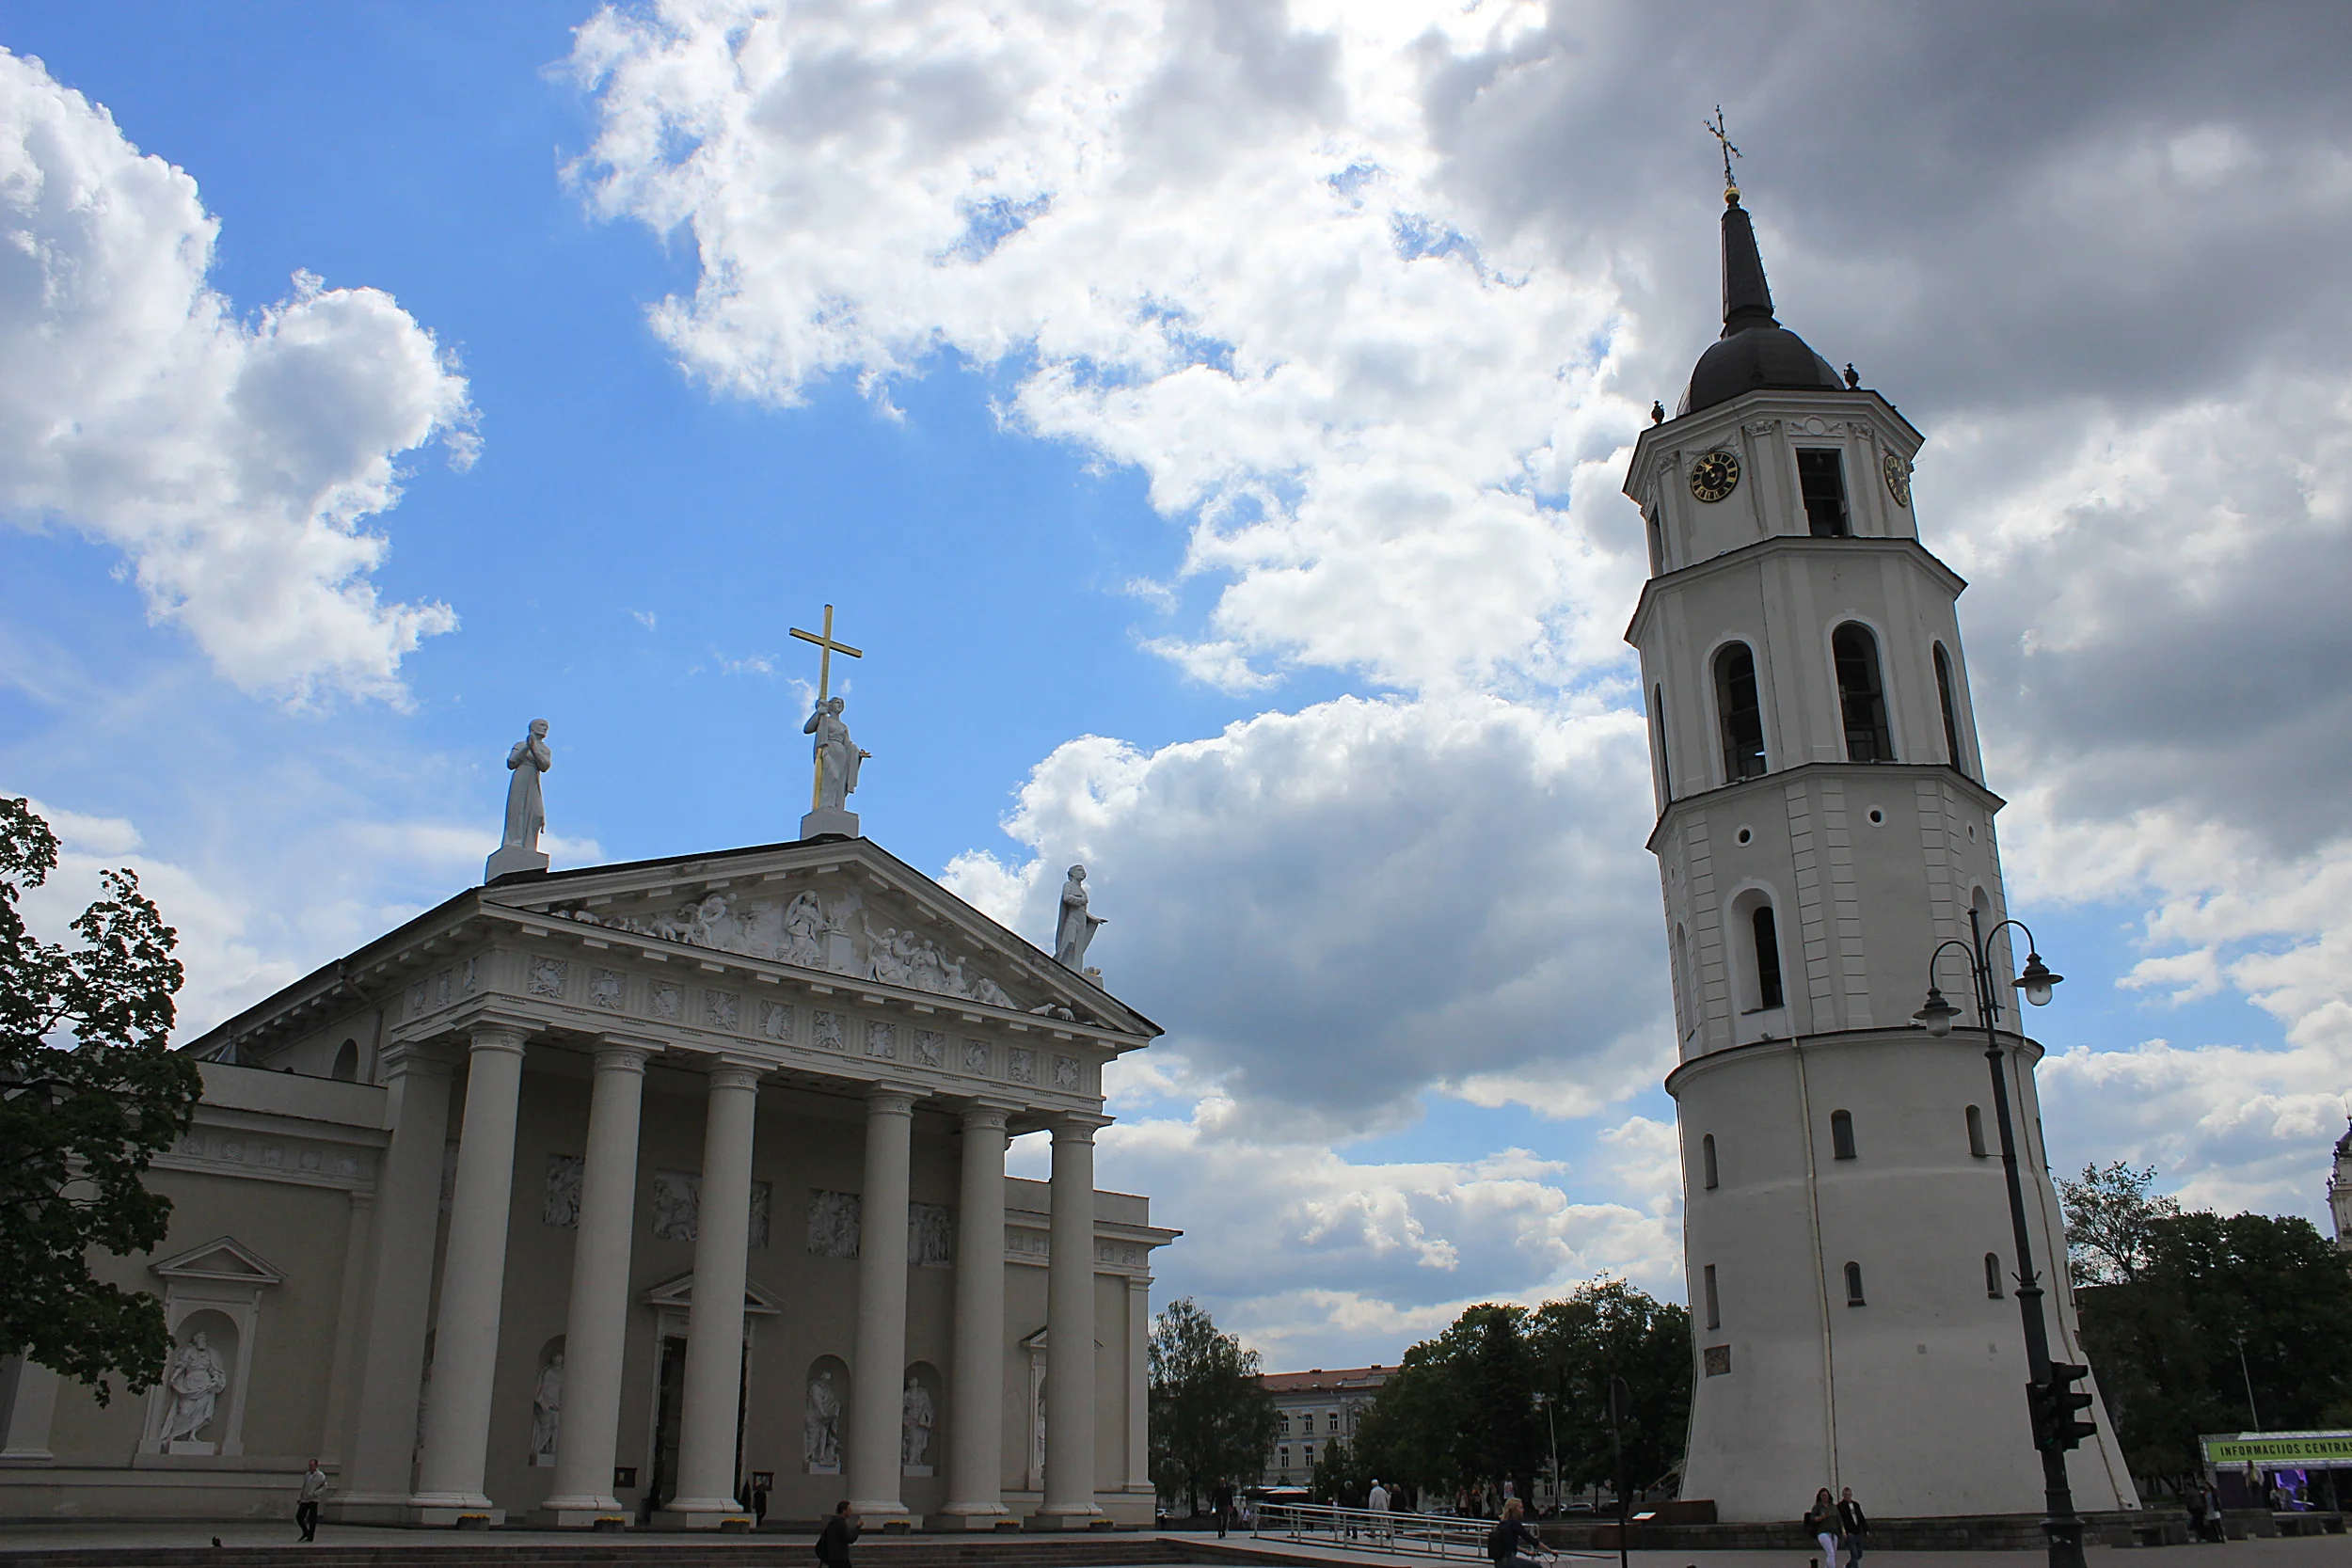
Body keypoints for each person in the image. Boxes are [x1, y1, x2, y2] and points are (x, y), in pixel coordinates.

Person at [1486, 1497, 1551, 1568]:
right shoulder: (1514, 1523)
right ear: (1513, 1509)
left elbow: (1509, 1545)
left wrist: (1526, 1552)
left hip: (1499, 1563)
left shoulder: (1503, 1523)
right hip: (1509, 1561)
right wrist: (1551, 1551)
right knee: (1536, 1566)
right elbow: (1532, 1540)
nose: (1523, 1510)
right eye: (1520, 1508)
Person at [817, 1499, 861, 1568]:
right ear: (844, 1511)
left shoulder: (832, 1523)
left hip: (833, 1559)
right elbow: (850, 1538)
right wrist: (858, 1527)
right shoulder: (840, 1523)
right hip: (840, 1560)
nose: (851, 1512)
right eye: (849, 1509)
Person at [1804, 1487, 1840, 1566]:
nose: (1824, 1497)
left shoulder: (1833, 1507)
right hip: (1823, 1532)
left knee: (1832, 1555)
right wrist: (1822, 1517)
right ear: (1820, 1497)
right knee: (1830, 1552)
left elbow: (1839, 1519)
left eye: (1826, 1495)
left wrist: (1843, 1530)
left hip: (1834, 1533)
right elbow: (1812, 1519)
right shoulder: (1817, 1507)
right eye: (1823, 1495)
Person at [294, 1459, 326, 1542]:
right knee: (299, 1516)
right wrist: (300, 1497)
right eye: (309, 1466)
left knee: (312, 1519)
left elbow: (324, 1487)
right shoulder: (307, 1475)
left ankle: (310, 1536)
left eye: (312, 1466)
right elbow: (304, 1486)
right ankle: (305, 1531)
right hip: (305, 1499)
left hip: (313, 1499)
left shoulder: (320, 1475)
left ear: (316, 1466)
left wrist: (315, 1493)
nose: (310, 1468)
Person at [1836, 1486, 1868, 1567]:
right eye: (1845, 1494)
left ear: (1851, 1494)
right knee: (1854, 1554)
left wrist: (1866, 1529)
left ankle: (1848, 1566)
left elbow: (1861, 1517)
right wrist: (1843, 1531)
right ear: (1843, 1495)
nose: (1847, 1496)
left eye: (1848, 1494)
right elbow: (1840, 1521)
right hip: (1849, 1534)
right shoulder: (1840, 1506)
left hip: (1858, 1532)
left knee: (1859, 1554)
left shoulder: (1856, 1505)